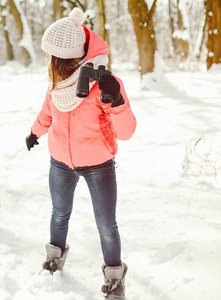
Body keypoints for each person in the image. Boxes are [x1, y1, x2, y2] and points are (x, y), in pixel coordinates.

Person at [25, 8, 136, 299]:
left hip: (98, 164)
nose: (49, 61)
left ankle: (114, 277)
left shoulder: (104, 83)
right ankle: (54, 257)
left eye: (53, 56)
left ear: (67, 56)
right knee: (59, 213)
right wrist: (35, 132)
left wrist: (118, 100)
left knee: (105, 224)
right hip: (61, 161)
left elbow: (125, 132)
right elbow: (48, 112)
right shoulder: (57, 83)